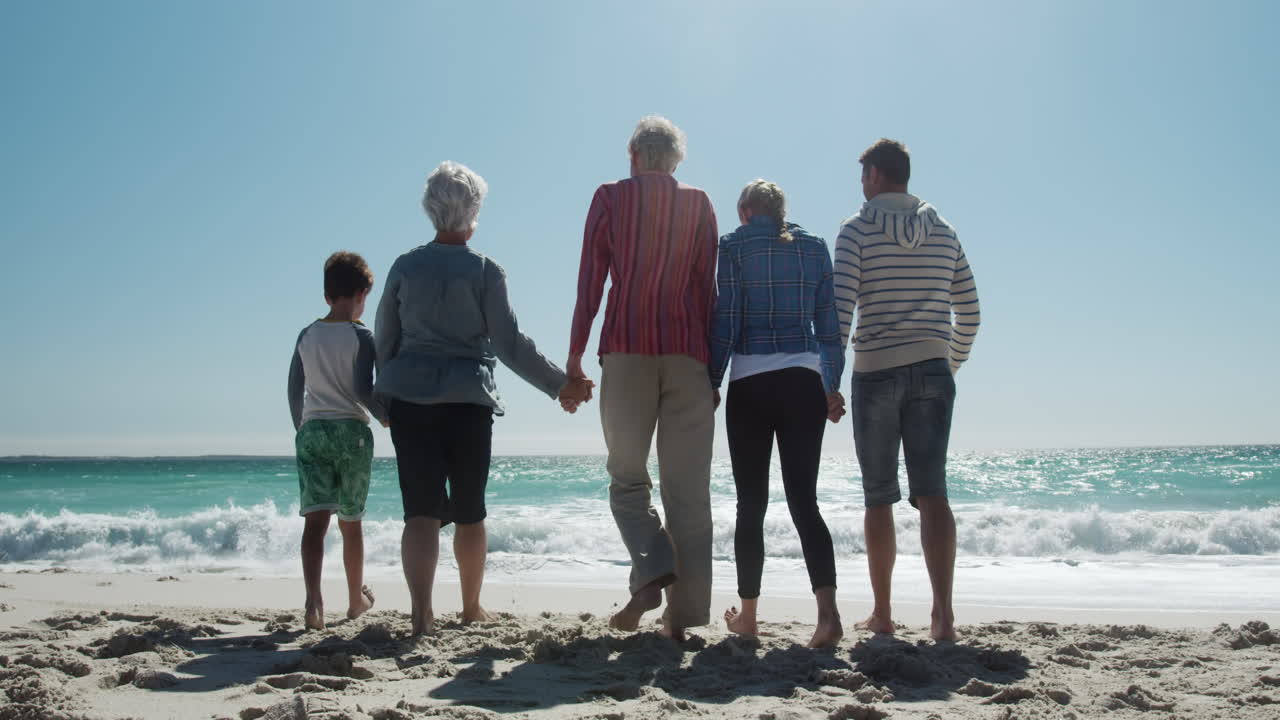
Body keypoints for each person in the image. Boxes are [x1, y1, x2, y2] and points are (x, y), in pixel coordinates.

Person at [374, 161, 593, 636]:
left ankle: (421, 615)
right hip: (468, 400)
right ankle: (471, 607)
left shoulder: (404, 266)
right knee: (470, 509)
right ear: (473, 211)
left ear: (430, 209)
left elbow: (384, 339)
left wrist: (381, 401)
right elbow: (510, 343)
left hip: (410, 400)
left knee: (421, 511)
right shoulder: (485, 270)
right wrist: (562, 385)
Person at [567, 116, 718, 641]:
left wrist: (574, 358)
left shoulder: (610, 197)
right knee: (689, 494)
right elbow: (706, 292)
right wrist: (712, 371)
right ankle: (680, 621)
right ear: (676, 160)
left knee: (628, 479)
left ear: (633, 155)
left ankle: (651, 570)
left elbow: (591, 282)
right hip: (688, 356)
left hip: (627, 351)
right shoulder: (698, 203)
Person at [833, 139, 981, 642]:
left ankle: (883, 613)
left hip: (875, 372)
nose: (861, 185)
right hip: (933, 371)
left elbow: (838, 315)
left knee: (879, 497)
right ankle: (943, 615)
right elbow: (972, 312)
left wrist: (827, 383)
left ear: (875, 175)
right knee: (932, 493)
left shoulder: (855, 231)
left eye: (863, 175)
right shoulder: (945, 231)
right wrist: (948, 363)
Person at [709, 179, 847, 648]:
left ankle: (748, 617)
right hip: (804, 381)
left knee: (751, 504)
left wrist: (711, 378)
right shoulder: (813, 246)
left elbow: (727, 319)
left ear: (746, 211)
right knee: (804, 501)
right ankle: (827, 616)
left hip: (750, 383)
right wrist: (832, 385)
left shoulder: (733, 246)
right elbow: (829, 326)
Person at [287, 250, 387, 631]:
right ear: (362, 294)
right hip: (350, 431)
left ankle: (313, 603)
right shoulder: (362, 335)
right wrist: (383, 415)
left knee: (315, 522)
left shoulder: (307, 335)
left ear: (327, 296)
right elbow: (364, 389)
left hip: (312, 430)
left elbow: (295, 388)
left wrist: (303, 427)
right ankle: (354, 600)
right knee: (350, 521)